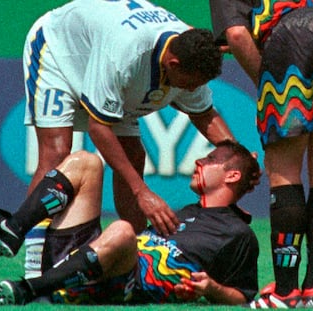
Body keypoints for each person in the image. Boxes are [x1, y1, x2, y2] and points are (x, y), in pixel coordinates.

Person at [23, 0, 236, 240]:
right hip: (60, 50)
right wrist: (142, 192)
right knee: (57, 152)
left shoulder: (190, 53)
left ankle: (138, 256)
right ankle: (29, 242)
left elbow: (204, 113)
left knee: (133, 155)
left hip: (106, 52)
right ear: (172, 64)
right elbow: (99, 127)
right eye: (190, 84)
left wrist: (238, 157)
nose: (192, 90)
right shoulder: (124, 56)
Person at [209, 0, 313, 308]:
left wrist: (267, 84)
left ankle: (285, 292)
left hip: (293, 38)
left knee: (284, 172)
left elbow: (238, 36)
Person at [0, 140, 261, 305]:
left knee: (122, 230)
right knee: (86, 161)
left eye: (210, 159)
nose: (199, 161)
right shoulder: (187, 211)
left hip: (125, 285)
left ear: (231, 176)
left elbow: (244, 296)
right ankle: (13, 230)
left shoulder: (238, 234)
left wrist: (212, 289)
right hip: (90, 266)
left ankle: (31, 288)